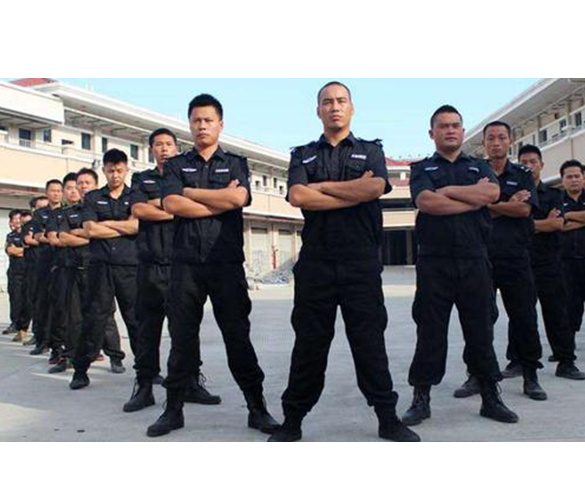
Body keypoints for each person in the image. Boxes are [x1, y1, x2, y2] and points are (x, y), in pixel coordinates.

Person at [268, 82, 418, 443]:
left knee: (370, 343)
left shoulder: (371, 151)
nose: (334, 107)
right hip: (316, 264)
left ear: (351, 108)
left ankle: (387, 418)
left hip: (360, 263)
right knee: (309, 345)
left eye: (341, 101)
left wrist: (321, 188)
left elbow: (374, 188)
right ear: (317, 110)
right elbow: (298, 195)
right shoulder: (303, 154)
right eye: (327, 102)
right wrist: (351, 192)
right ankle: (292, 420)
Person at [148, 93, 279, 438]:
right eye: (196, 120)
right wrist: (219, 201)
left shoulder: (236, 163)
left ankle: (257, 408)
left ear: (220, 125)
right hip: (185, 266)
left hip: (226, 264)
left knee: (238, 337)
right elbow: (172, 204)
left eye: (208, 120)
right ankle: (172, 411)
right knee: (181, 339)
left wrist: (191, 193)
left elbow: (239, 197)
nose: (202, 126)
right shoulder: (176, 165)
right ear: (189, 125)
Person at [402, 105, 518, 428]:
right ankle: (421, 398)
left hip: (474, 259)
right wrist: (472, 198)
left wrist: (451, 191)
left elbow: (492, 193)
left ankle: (490, 397)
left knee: (481, 331)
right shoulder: (421, 168)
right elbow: (427, 202)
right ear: (432, 133)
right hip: (434, 262)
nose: (450, 130)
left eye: (455, 125)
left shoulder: (479, 166)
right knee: (430, 332)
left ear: (463, 132)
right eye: (443, 126)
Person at [123, 128, 220, 413]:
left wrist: (160, 203)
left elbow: (193, 204)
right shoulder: (142, 178)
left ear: (177, 148)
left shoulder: (187, 176)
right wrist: (176, 206)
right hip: (150, 265)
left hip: (182, 266)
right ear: (151, 150)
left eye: (168, 144)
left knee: (185, 329)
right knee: (147, 328)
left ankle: (191, 383)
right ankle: (144, 387)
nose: (164, 149)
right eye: (158, 145)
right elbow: (138, 210)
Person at [454, 121, 546, 401]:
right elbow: (469, 208)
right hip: (480, 255)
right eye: (491, 138)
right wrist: (506, 202)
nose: (496, 143)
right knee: (478, 318)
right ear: (483, 143)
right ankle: (476, 374)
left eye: (501, 138)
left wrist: (488, 204)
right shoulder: (473, 172)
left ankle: (530, 375)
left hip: (515, 256)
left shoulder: (522, 173)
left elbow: (524, 210)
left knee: (524, 316)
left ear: (510, 141)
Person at [70, 150, 140, 390]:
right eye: (111, 170)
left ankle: (147, 370)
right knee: (94, 318)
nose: (115, 175)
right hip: (100, 267)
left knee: (136, 318)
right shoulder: (93, 197)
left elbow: (137, 226)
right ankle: (80, 370)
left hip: (129, 266)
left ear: (126, 170)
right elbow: (90, 230)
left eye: (119, 170)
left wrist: (106, 225)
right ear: (104, 171)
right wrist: (123, 226)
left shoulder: (136, 195)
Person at [517, 146, 584, 380]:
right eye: (524, 162)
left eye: (533, 162)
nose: (529, 166)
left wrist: (527, 224)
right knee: (521, 315)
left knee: (557, 313)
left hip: (550, 262)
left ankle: (566, 361)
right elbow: (513, 225)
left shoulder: (553, 195)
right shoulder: (513, 194)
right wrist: (541, 224)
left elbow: (557, 224)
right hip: (521, 261)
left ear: (541, 165)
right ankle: (517, 361)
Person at [52, 168, 123, 374]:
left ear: (95, 185)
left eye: (87, 183)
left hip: (99, 268)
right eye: (79, 184)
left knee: (105, 315)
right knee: (73, 316)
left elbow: (114, 232)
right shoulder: (68, 212)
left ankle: (115, 357)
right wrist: (92, 234)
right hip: (73, 269)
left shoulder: (103, 208)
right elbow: (63, 237)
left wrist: (87, 232)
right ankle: (73, 357)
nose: (82, 187)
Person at [29, 180, 63, 356]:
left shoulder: (67, 211)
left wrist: (51, 236)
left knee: (62, 303)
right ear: (47, 192)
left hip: (63, 260)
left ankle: (61, 343)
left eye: (59, 190)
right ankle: (42, 341)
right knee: (43, 301)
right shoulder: (40, 214)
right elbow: (37, 236)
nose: (56, 193)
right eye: (52, 190)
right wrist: (57, 237)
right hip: (44, 260)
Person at [560, 160, 585, 337]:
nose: (574, 180)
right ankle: (567, 345)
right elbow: (557, 225)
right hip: (566, 263)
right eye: (569, 177)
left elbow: (564, 221)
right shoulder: (556, 200)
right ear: (563, 180)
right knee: (569, 306)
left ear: (583, 178)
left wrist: (568, 215)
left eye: (577, 176)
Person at [21, 197, 49, 347]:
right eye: (40, 207)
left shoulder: (56, 219)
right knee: (37, 301)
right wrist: (49, 237)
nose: (45, 210)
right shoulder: (29, 225)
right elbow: (29, 240)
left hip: (53, 265)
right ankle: (38, 335)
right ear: (34, 210)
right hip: (34, 268)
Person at [4, 210, 30, 342]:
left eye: (19, 218)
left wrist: (20, 250)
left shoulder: (28, 234)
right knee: (15, 298)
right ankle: (15, 323)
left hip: (28, 271)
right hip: (14, 272)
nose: (17, 221)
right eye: (14, 219)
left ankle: (23, 327)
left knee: (27, 300)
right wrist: (22, 250)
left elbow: (29, 251)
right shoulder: (11, 235)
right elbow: (10, 250)